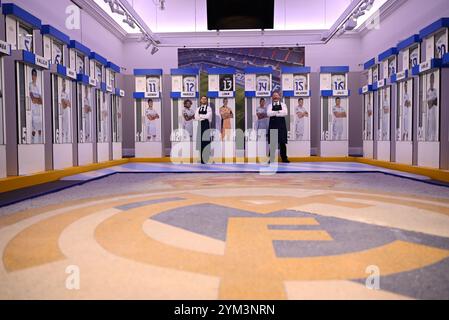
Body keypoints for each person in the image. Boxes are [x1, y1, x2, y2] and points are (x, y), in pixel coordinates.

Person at [267, 91, 289, 163]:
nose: (275, 97)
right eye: (274, 96)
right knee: (273, 143)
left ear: (279, 97)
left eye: (277, 95)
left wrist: (275, 113)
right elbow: (268, 113)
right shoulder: (270, 105)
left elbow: (285, 113)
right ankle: (271, 159)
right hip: (273, 124)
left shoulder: (283, 105)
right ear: (272, 97)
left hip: (281, 125)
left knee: (282, 142)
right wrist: (279, 112)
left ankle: (284, 158)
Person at [195, 96, 212, 164]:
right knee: (200, 142)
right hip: (200, 126)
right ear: (200, 100)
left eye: (205, 99)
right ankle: (201, 159)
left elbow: (208, 116)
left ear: (207, 100)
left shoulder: (209, 108)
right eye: (202, 99)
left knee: (206, 141)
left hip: (206, 125)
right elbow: (196, 117)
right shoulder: (198, 108)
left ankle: (206, 158)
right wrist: (203, 117)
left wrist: (201, 116)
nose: (204, 100)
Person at [29, 69, 43, 144]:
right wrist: (37, 99)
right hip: (33, 111)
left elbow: (41, 101)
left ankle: (40, 144)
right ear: (31, 76)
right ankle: (33, 143)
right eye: (33, 75)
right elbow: (33, 99)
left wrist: (37, 99)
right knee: (33, 130)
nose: (34, 76)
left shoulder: (37, 88)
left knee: (40, 130)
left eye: (35, 75)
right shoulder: (30, 85)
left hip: (38, 112)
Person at [426, 73, 438, 141]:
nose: (432, 80)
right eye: (431, 78)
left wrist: (432, 101)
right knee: (430, 128)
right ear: (430, 80)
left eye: (433, 78)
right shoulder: (428, 91)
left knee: (434, 128)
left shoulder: (436, 91)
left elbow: (436, 103)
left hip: (435, 114)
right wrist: (433, 101)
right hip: (430, 115)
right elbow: (429, 105)